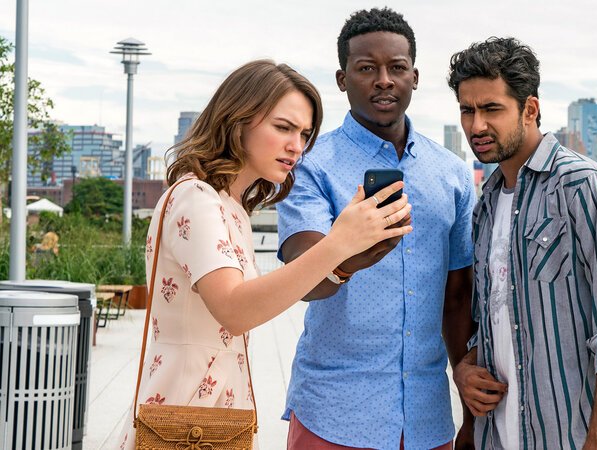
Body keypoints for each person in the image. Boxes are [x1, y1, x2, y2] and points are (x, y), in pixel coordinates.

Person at [115, 59, 412, 449]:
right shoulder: (195, 198)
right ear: (237, 120)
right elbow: (236, 310)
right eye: (283, 127)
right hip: (185, 420)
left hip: (214, 416)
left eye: (304, 133)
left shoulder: (229, 206)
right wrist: (338, 243)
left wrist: (342, 264)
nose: (297, 146)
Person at [276, 8, 475, 450]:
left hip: (428, 416)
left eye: (397, 68)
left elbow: (459, 293)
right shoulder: (310, 167)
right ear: (343, 79)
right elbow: (302, 277)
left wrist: (469, 401)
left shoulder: (453, 174)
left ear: (415, 77)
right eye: (367, 68)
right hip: (333, 411)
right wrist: (352, 251)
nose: (384, 80)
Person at [447, 37, 597, 449]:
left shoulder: (583, 187)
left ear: (530, 109)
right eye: (467, 110)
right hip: (503, 436)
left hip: (576, 436)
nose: (476, 125)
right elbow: (494, 320)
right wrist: (464, 369)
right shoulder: (486, 207)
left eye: (491, 109)